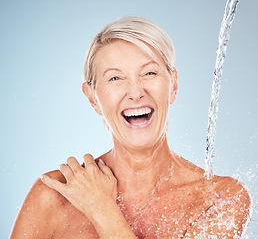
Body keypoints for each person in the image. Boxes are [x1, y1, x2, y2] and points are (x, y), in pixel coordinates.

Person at [10, 16, 252, 238]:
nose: (136, 92)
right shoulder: (54, 195)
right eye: (115, 78)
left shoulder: (221, 198)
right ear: (92, 97)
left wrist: (102, 210)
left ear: (173, 86)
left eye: (149, 73)